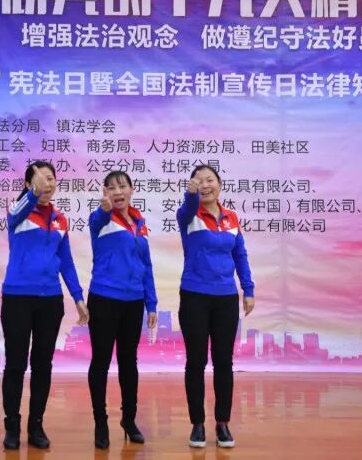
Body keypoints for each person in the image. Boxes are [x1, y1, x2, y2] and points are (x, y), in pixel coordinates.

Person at [0, 161, 89, 450]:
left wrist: (78, 297)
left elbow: (66, 262)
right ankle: (12, 425)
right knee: (15, 364)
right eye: (41, 180)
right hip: (17, 298)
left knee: (42, 365)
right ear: (28, 184)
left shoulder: (60, 220)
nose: (47, 184)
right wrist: (32, 194)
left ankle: (36, 425)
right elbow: (18, 211)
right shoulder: (18, 212)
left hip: (50, 301)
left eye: (51, 179)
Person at [176, 165, 255, 449]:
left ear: (220, 184)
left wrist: (248, 289)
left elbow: (240, 254)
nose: (205, 185)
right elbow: (188, 206)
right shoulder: (188, 215)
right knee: (196, 362)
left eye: (210, 180)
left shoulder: (231, 217)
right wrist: (190, 195)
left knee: (224, 362)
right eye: (199, 181)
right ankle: (197, 424)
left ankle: (222, 423)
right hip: (195, 296)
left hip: (225, 298)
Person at [87, 171, 158, 449]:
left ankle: (129, 420)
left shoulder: (139, 222)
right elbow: (98, 217)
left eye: (122, 186)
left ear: (131, 189)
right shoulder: (101, 219)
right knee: (101, 362)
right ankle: (100, 423)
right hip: (104, 299)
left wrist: (151, 303)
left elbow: (146, 265)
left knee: (129, 362)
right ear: (105, 192)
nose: (118, 192)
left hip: (134, 301)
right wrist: (104, 209)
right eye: (112, 187)